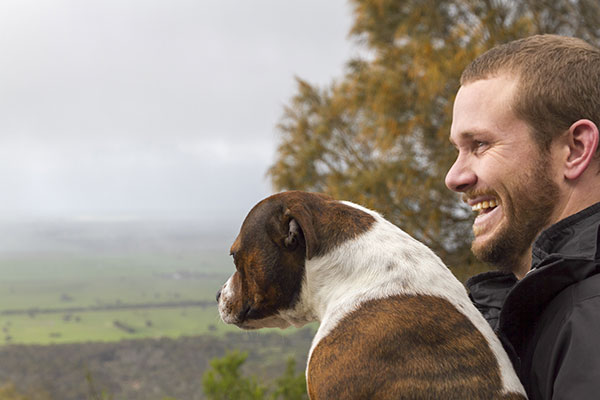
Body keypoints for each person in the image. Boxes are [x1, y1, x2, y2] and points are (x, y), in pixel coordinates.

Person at [444, 34, 600, 399]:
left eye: (479, 145)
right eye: (457, 150)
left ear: (575, 149)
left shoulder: (590, 316)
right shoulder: (544, 315)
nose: (454, 177)